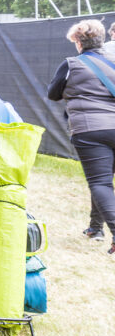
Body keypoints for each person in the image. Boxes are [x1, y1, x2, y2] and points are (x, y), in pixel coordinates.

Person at [47, 19, 115, 250]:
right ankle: (95, 228)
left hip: (90, 129)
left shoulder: (71, 64)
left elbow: (53, 94)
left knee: (100, 182)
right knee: (103, 181)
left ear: (78, 42)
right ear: (102, 39)